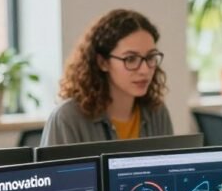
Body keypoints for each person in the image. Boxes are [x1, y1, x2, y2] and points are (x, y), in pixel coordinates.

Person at [40, 9, 173, 146]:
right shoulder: (67, 118)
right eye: (131, 59)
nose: (145, 70)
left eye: (150, 57)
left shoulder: (157, 113)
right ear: (103, 62)